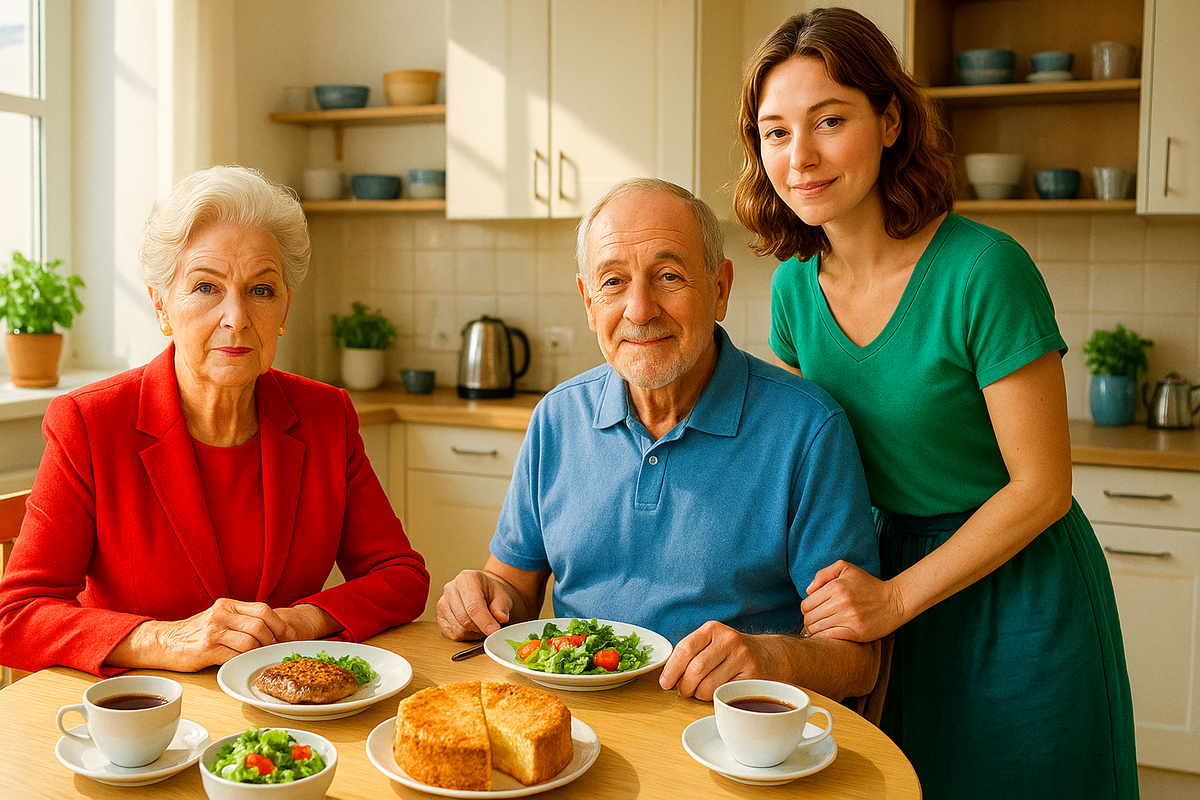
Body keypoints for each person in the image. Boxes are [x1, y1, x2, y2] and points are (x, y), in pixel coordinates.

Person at [734, 8, 1137, 799]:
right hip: (876, 585)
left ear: (889, 120)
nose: (800, 156)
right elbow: (803, 457)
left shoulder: (985, 270)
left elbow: (1041, 488)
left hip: (1016, 594)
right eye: (775, 132)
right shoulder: (790, 291)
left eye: (829, 121)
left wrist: (891, 600)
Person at [437, 177, 881, 702]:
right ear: (587, 301)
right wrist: (481, 596)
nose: (640, 309)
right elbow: (513, 591)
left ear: (719, 289)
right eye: (613, 282)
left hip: (726, 735)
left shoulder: (808, 430)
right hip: (578, 723)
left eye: (668, 276)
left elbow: (859, 664)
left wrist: (768, 657)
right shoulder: (556, 419)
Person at [0, 165, 429, 677]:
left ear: (285, 307)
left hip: (287, 718)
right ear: (162, 305)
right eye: (206, 287)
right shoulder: (89, 423)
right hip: (146, 721)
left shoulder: (325, 416)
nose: (237, 317)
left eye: (261, 290)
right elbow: (17, 616)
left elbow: (401, 576)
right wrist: (164, 638)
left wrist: (300, 624)